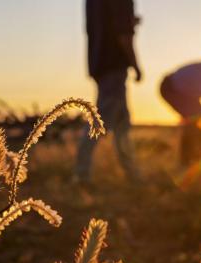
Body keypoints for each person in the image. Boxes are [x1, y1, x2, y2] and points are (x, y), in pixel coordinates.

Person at [76, 0, 143, 183]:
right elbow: (123, 34)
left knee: (122, 123)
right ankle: (81, 174)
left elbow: (102, 27)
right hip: (113, 65)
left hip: (99, 63)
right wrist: (136, 66)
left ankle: (132, 173)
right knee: (99, 121)